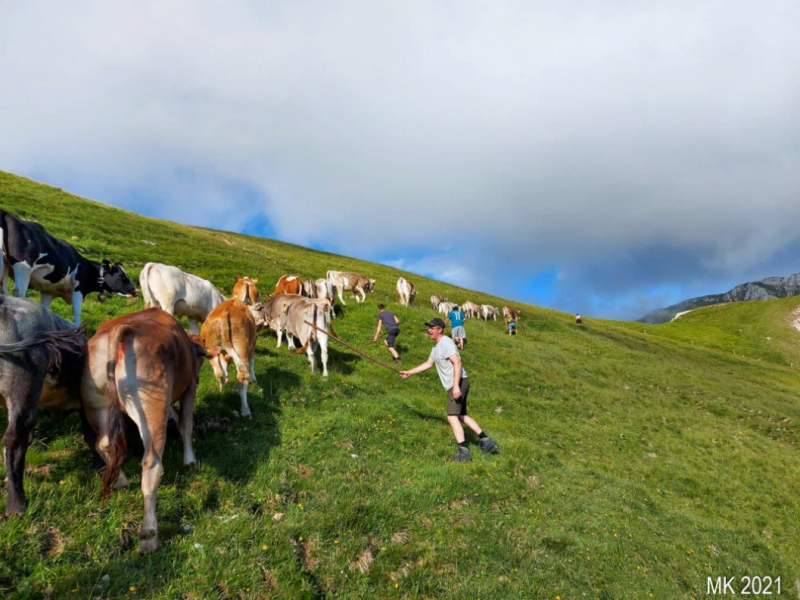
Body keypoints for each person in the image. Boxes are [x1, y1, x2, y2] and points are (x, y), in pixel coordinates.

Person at [399, 318, 499, 462]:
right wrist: (409, 372)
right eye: (429, 328)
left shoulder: (446, 343)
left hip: (458, 382)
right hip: (457, 383)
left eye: (432, 328)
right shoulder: (436, 346)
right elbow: (428, 363)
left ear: (440, 329)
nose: (429, 330)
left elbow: (457, 363)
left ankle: (464, 452)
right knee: (461, 415)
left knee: (452, 416)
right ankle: (486, 441)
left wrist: (456, 386)